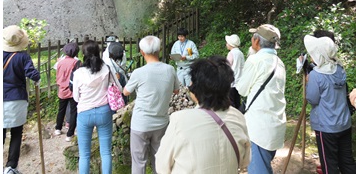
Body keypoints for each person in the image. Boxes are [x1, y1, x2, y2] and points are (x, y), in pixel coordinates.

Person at [156, 56, 251, 173]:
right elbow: (244, 162)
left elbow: (162, 166)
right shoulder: (238, 117)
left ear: (197, 89)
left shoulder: (179, 120)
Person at [123, 35, 179, 174]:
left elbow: (126, 92)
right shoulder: (170, 70)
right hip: (161, 123)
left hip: (140, 124)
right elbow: (176, 90)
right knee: (159, 161)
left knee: (138, 163)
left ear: (142, 52)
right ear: (159, 50)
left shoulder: (139, 72)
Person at [235, 24, 287, 174]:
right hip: (276, 125)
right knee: (265, 166)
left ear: (256, 41)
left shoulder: (255, 60)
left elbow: (242, 89)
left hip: (259, 128)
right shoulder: (279, 62)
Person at [304, 34, 356, 173]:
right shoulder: (339, 69)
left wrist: (308, 82)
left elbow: (312, 99)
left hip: (326, 127)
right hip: (344, 123)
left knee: (329, 165)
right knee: (347, 161)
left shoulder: (316, 75)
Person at [2, 25, 40, 174]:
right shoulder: (23, 56)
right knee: (16, 133)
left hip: (1, 97)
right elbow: (32, 73)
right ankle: (11, 167)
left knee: (1, 132)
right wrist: (37, 78)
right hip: (16, 99)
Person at [73, 39, 113, 174]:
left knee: (84, 154)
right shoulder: (106, 69)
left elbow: (75, 98)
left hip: (85, 113)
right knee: (106, 152)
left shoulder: (79, 73)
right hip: (104, 111)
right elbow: (114, 87)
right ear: (99, 52)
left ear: (83, 54)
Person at [54, 42, 80, 142]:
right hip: (72, 90)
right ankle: (70, 134)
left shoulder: (60, 62)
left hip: (62, 89)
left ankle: (58, 128)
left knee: (61, 110)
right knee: (73, 111)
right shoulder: (76, 62)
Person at [225, 34, 245, 110]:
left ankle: (233, 117)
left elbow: (227, 66)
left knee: (231, 102)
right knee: (237, 101)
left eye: (227, 43)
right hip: (239, 82)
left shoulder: (231, 53)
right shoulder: (240, 53)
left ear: (231, 45)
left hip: (232, 82)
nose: (226, 44)